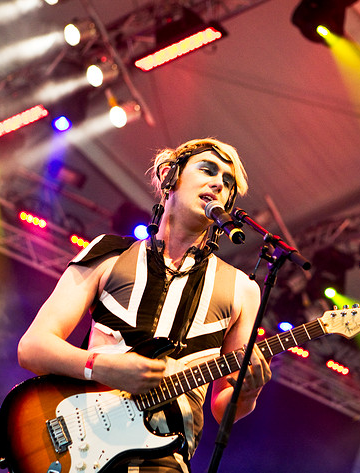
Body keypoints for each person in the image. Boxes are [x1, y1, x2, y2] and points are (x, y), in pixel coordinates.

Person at [17, 138, 272, 473]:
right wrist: (101, 367)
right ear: (169, 175)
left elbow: (224, 406)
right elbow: (32, 348)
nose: (218, 184)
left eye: (228, 183)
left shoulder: (243, 289)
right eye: (208, 170)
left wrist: (249, 393)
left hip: (165, 460)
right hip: (81, 448)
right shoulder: (109, 253)